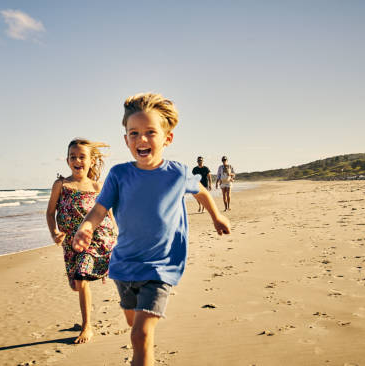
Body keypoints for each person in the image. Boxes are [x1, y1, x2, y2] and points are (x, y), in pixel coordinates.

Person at [72, 93, 231, 366]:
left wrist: (217, 217)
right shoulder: (119, 175)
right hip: (124, 267)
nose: (141, 139)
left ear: (167, 139)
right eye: (134, 133)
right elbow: (99, 209)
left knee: (141, 334)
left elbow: (202, 191)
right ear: (126, 140)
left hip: (161, 267)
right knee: (137, 333)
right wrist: (86, 226)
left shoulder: (177, 173)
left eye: (150, 133)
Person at [45, 138, 117, 344]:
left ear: (91, 161)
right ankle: (86, 317)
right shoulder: (61, 185)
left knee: (81, 278)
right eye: (73, 157)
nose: (77, 160)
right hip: (70, 244)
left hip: (95, 239)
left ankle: (87, 326)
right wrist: (54, 233)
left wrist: (117, 233)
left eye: (82, 157)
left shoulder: (96, 186)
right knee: (75, 285)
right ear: (67, 160)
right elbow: (50, 213)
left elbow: (108, 214)